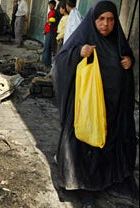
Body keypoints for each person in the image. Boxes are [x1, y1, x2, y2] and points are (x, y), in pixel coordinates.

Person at [52, 0, 138, 207]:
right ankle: (86, 189)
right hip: (86, 110)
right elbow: (61, 61)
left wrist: (130, 62)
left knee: (108, 144)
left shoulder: (118, 41)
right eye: (101, 19)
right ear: (93, 20)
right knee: (86, 146)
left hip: (113, 108)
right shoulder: (84, 38)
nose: (105, 24)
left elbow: (127, 57)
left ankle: (108, 180)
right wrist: (77, 54)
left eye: (110, 20)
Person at [41, 0, 58, 71]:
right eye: (49, 5)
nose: (50, 6)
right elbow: (47, 23)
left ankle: (46, 64)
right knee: (47, 47)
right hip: (48, 31)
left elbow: (53, 23)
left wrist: (50, 23)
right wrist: (44, 29)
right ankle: (45, 62)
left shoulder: (55, 13)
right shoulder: (50, 12)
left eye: (51, 5)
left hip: (51, 32)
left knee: (47, 48)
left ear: (54, 6)